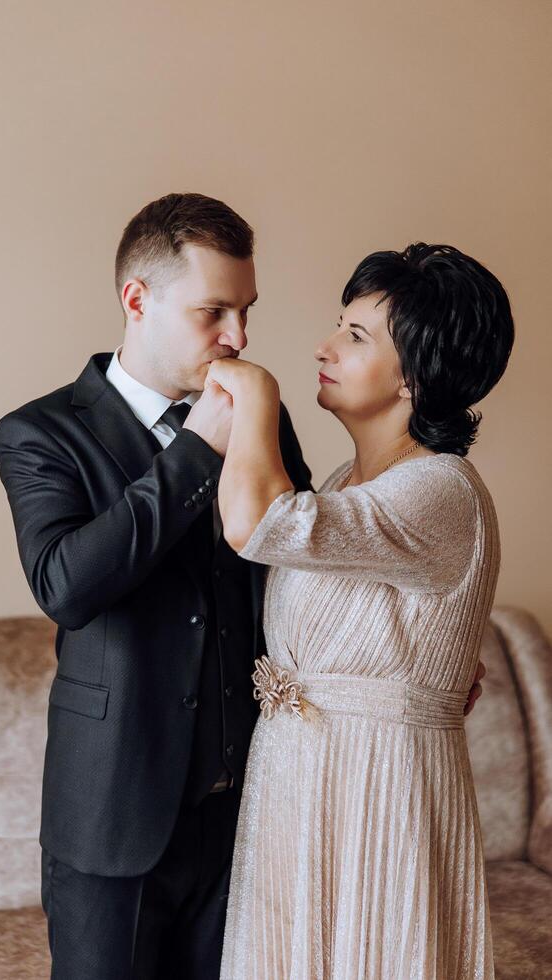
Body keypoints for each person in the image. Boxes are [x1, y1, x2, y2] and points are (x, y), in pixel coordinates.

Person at [0, 196, 485, 980]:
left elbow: (294, 565)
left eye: (246, 311)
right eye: (213, 311)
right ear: (137, 300)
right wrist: (193, 451)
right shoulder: (41, 432)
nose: (239, 338)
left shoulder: (267, 421)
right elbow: (66, 585)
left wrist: (420, 662)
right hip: (114, 815)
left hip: (253, 814)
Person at [209, 243, 513, 980]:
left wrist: (255, 396)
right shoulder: (349, 481)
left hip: (380, 787)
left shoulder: (442, 489)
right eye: (337, 326)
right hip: (297, 781)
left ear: (414, 373)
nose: (325, 346)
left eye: (354, 336)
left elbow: (259, 523)